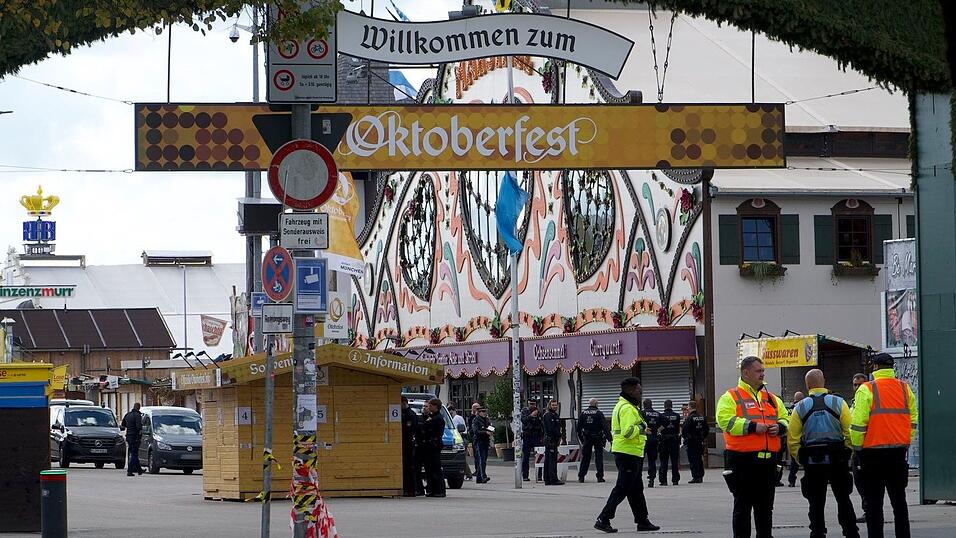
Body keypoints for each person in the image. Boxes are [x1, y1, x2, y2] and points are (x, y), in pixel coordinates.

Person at [717, 356, 789, 538]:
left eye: (763, 371)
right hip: (742, 462)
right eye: (759, 371)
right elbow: (725, 421)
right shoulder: (731, 397)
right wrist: (752, 426)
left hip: (768, 462)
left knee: (765, 508)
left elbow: (785, 418)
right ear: (745, 372)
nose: (762, 374)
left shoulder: (771, 398)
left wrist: (779, 427)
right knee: (742, 507)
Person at [851, 353, 918, 538]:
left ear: (874, 367)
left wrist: (857, 449)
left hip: (872, 456)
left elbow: (858, 425)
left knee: (874, 505)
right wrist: (905, 442)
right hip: (897, 454)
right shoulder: (905, 389)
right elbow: (913, 421)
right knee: (899, 503)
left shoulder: (867, 389)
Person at [787, 369, 859, 538]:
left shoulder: (800, 407)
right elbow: (850, 432)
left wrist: (800, 460)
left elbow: (792, 439)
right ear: (824, 381)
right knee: (843, 499)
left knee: (816, 502)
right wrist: (848, 453)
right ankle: (850, 532)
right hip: (837, 459)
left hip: (813, 462)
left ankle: (817, 532)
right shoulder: (839, 403)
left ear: (807, 385)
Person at [594, 377, 660, 533]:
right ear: (630, 390)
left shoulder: (624, 405)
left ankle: (642, 521)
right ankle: (603, 518)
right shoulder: (628, 409)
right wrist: (642, 429)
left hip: (629, 452)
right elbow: (628, 432)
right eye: (638, 389)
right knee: (622, 488)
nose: (640, 392)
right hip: (627, 453)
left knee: (636, 489)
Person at [849, 372, 869, 523]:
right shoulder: (854, 401)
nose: (857, 387)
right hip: (856, 449)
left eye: (860, 384)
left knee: (864, 482)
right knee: (859, 482)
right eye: (855, 384)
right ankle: (867, 509)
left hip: (864, 448)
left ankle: (869, 510)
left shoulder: (866, 398)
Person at [577, 397, 611, 483]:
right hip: (597, 437)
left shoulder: (583, 413)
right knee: (599, 457)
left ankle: (581, 476)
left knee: (585, 458)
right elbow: (605, 427)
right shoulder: (599, 413)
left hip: (587, 438)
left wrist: (582, 439)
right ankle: (600, 477)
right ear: (596, 404)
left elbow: (578, 428)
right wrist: (610, 438)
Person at [419, 398, 447, 497]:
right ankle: (431, 489)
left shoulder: (438, 418)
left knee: (436, 469)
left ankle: (439, 490)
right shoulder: (431, 416)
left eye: (430, 405)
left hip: (434, 445)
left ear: (436, 406)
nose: (429, 407)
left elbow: (426, 426)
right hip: (428, 446)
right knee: (429, 469)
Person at [681, 400, 709, 483]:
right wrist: (702, 437)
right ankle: (700, 475)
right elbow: (706, 429)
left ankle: (696, 476)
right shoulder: (701, 416)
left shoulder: (689, 418)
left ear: (690, 407)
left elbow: (685, 430)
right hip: (700, 441)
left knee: (693, 459)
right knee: (699, 459)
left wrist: (687, 437)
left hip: (691, 442)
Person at [657, 399, 681, 486]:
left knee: (664, 461)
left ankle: (663, 480)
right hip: (674, 440)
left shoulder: (661, 416)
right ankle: (675, 480)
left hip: (664, 440)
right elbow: (678, 428)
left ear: (664, 406)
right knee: (674, 461)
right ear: (672, 406)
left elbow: (659, 428)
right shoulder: (677, 416)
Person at [400, 396, 420, 496]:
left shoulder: (410, 415)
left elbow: (411, 430)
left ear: (404, 403)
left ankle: (411, 489)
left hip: (408, 444)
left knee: (409, 467)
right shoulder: (402, 413)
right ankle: (407, 488)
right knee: (405, 467)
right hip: (404, 444)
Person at [520, 400, 544, 481]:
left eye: (533, 404)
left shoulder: (539, 412)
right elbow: (523, 420)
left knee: (539, 456)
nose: (532, 405)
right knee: (525, 457)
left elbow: (541, 424)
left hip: (536, 435)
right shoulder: (525, 411)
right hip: (527, 435)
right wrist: (531, 416)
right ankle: (525, 475)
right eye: (530, 404)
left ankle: (539, 475)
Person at [448, 405, 473, 481]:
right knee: (463, 457)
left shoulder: (455, 419)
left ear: (451, 411)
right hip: (463, 437)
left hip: (460, 438)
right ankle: (467, 474)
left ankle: (468, 474)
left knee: (461, 458)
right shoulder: (460, 417)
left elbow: (454, 430)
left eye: (449, 411)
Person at [640, 399, 662, 488]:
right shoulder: (657, 414)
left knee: (640, 459)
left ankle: (638, 478)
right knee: (652, 460)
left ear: (644, 405)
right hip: (654, 439)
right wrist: (659, 430)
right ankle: (651, 479)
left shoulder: (642, 413)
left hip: (644, 439)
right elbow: (666, 421)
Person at [542, 399, 564, 485]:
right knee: (551, 460)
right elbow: (551, 429)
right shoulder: (548, 415)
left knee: (550, 459)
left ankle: (548, 479)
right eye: (553, 405)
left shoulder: (555, 415)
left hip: (554, 440)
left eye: (556, 405)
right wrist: (558, 435)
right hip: (550, 439)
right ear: (549, 405)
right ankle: (552, 479)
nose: (555, 406)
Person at [120, 402, 144, 476]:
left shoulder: (127, 415)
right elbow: (139, 427)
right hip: (135, 437)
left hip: (128, 437)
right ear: (139, 408)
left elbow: (122, 426)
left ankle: (139, 470)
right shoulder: (138, 416)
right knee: (134, 454)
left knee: (133, 454)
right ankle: (130, 470)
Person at [787, 391, 806, 487]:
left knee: (794, 462)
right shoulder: (804, 407)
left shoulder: (790, 409)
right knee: (807, 460)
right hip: (803, 437)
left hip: (792, 437)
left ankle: (791, 480)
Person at [470, 407, 492, 484]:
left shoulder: (486, 419)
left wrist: (491, 430)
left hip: (485, 441)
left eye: (485, 411)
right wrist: (485, 432)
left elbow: (489, 427)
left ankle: (479, 478)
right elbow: (476, 431)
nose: (484, 413)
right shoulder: (476, 420)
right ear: (479, 412)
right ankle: (483, 476)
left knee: (483, 460)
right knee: (481, 459)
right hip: (479, 441)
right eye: (482, 411)